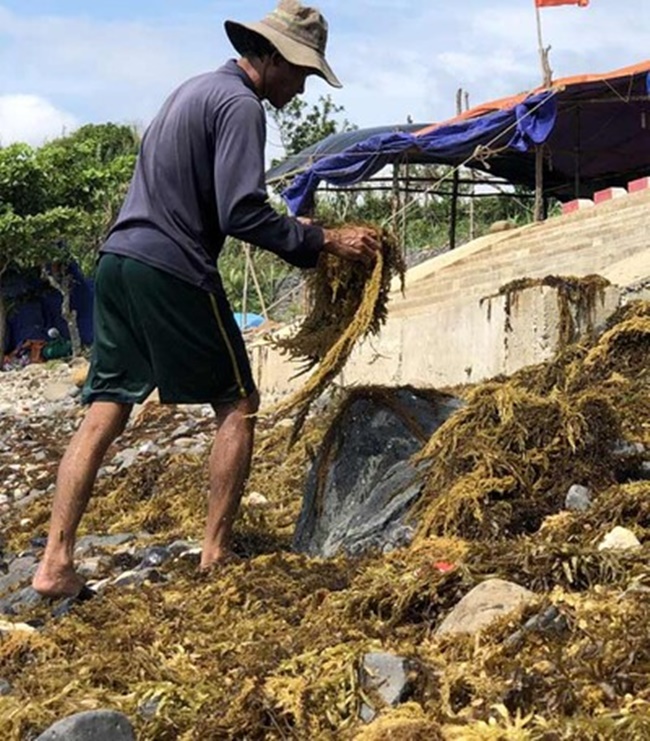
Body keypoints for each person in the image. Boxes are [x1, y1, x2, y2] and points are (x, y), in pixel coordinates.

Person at [32, 0, 380, 599]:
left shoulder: (191, 92)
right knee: (239, 402)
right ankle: (216, 553)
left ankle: (54, 562)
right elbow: (240, 211)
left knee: (105, 410)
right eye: (299, 72)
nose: (299, 86)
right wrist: (324, 240)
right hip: (172, 267)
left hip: (117, 262)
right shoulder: (242, 107)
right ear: (269, 57)